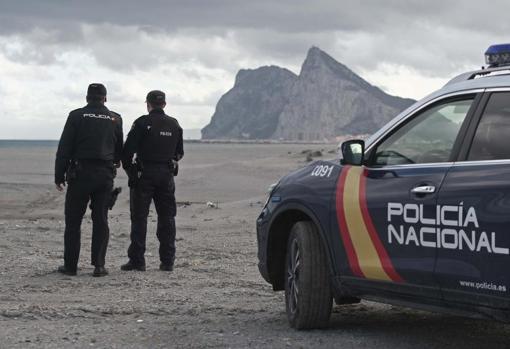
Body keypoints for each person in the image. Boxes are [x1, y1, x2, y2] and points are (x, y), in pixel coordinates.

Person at [55, 83, 123, 277]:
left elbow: (64, 148)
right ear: (105, 98)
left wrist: (59, 175)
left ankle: (71, 266)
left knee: (73, 221)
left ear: (87, 98)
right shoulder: (115, 118)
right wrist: (115, 162)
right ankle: (99, 266)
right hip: (104, 175)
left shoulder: (76, 115)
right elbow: (119, 147)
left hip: (80, 174)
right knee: (101, 219)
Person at [121, 90, 183, 272]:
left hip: (145, 174)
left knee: (139, 218)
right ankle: (167, 261)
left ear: (148, 104)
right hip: (166, 175)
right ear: (164, 104)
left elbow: (127, 151)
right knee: (167, 217)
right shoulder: (174, 124)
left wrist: (131, 172)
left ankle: (138, 260)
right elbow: (179, 152)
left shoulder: (142, 123)